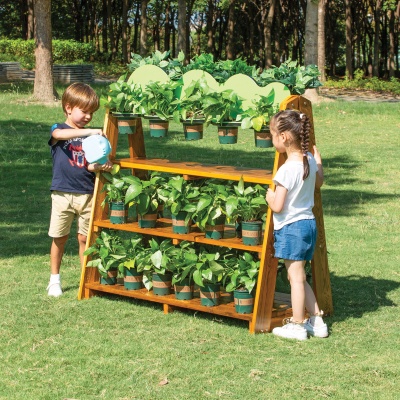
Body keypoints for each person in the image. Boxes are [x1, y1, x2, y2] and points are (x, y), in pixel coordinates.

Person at [266, 109, 328, 340]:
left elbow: (279, 206)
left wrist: (269, 197)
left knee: (296, 278)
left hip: (292, 228)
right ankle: (317, 320)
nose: (272, 139)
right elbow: (319, 182)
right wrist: (319, 162)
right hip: (308, 226)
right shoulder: (308, 161)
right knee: (298, 276)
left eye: (272, 134)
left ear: (283, 137)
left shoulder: (286, 170)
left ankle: (298, 325)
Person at [47, 82, 113, 297]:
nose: (88, 116)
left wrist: (101, 166)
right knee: (60, 237)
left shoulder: (91, 138)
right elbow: (57, 136)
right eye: (84, 111)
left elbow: (89, 165)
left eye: (91, 113)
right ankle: (54, 280)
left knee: (85, 238)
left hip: (86, 193)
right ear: (68, 108)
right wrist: (91, 131)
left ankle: (85, 278)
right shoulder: (59, 128)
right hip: (62, 193)